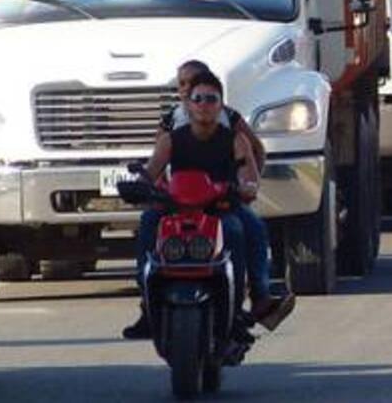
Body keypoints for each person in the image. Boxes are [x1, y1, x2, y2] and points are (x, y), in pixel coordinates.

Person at [124, 64, 294, 339]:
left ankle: (248, 304)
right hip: (178, 207)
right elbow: (152, 170)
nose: (204, 105)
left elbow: (250, 167)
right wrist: (142, 188)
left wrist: (246, 187)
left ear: (220, 104)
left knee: (246, 228)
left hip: (221, 207)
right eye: (197, 99)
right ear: (188, 103)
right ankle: (147, 306)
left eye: (211, 99)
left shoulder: (235, 138)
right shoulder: (170, 137)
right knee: (148, 222)